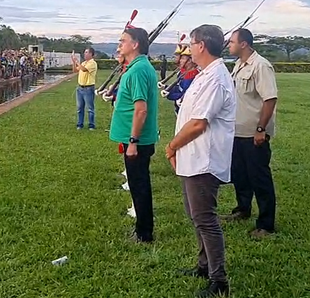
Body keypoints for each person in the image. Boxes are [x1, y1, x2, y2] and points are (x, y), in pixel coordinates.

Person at [165, 24, 235, 297]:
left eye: (191, 44)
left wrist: (171, 147)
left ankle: (219, 280)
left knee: (205, 219)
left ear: (201, 46)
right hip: (192, 156)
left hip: (204, 159)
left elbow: (198, 124)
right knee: (196, 216)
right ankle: (204, 265)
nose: (188, 49)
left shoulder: (216, 78)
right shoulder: (204, 75)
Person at [225, 28, 278, 238]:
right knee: (239, 174)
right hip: (237, 131)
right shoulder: (239, 65)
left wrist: (260, 129)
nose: (229, 45)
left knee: (259, 178)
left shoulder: (261, 66)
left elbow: (270, 99)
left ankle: (266, 224)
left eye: (232, 42)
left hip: (253, 134)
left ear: (244, 44)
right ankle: (242, 209)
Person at [109, 27, 159, 243]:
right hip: (134, 140)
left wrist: (133, 141)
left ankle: (144, 233)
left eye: (123, 40)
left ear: (135, 44)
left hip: (137, 141)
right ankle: (142, 228)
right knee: (138, 183)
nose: (119, 44)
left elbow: (141, 109)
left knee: (139, 185)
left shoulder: (138, 70)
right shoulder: (137, 67)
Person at [71, 47, 98, 130]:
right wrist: (73, 62)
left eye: (86, 52)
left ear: (91, 54)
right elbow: (75, 70)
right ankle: (80, 124)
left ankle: (91, 125)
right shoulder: (84, 63)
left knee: (90, 108)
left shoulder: (92, 63)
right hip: (80, 88)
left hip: (88, 88)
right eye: (85, 52)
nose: (85, 54)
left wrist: (76, 61)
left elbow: (84, 69)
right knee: (79, 108)